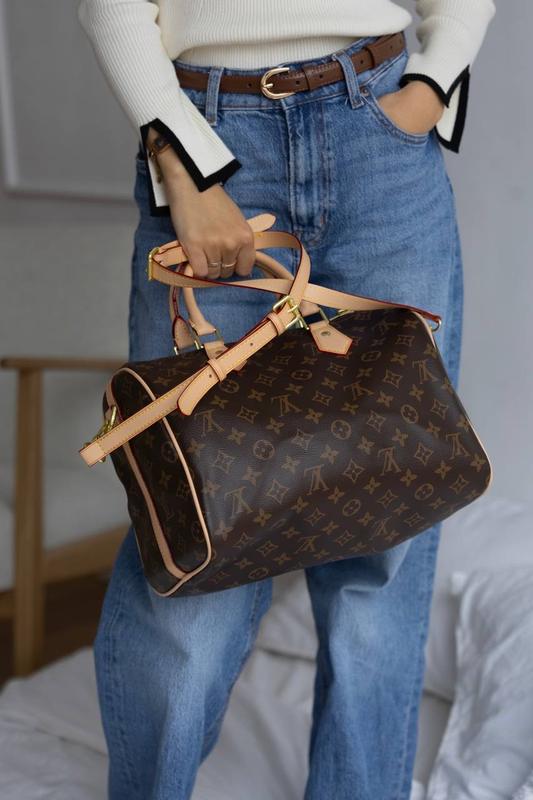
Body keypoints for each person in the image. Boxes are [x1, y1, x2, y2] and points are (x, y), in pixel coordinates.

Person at [77, 1, 496, 798]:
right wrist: (181, 162)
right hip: (208, 143)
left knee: (385, 539)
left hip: (379, 143)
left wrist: (429, 88)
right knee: (196, 533)